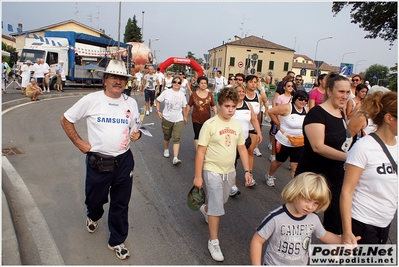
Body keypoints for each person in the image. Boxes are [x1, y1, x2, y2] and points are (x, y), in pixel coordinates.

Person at [60, 59, 142, 260]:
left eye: (122, 78)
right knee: (95, 200)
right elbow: (66, 119)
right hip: (98, 162)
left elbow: (136, 128)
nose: (118, 81)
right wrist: (79, 143)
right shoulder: (91, 100)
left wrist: (136, 135)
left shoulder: (131, 103)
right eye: (114, 77)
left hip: (124, 161)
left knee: (121, 203)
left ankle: (117, 240)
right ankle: (93, 215)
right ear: (105, 80)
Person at [193, 87, 253, 262]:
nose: (231, 110)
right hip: (211, 170)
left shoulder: (236, 125)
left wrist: (248, 171)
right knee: (218, 207)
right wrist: (198, 176)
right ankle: (214, 241)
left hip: (229, 172)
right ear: (219, 105)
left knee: (221, 201)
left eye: (234, 106)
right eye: (227, 106)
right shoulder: (210, 125)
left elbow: (242, 148)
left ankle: (206, 209)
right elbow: (200, 152)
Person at [295, 72, 352, 235]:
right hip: (313, 176)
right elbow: (318, 147)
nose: (345, 96)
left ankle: (330, 258)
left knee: (334, 223)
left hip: (335, 177)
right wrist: (350, 159)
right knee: (303, 221)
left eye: (348, 92)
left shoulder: (340, 113)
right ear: (329, 91)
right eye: (341, 91)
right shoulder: (317, 114)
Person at [250, 172, 344, 265]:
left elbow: (325, 235)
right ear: (296, 191)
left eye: (316, 203)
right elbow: (257, 241)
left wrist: (345, 241)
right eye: (307, 199)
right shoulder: (276, 218)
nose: (310, 207)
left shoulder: (313, 218)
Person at [341, 91, 397, 245]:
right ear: (389, 118)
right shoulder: (364, 147)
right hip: (362, 221)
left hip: (385, 222)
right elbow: (347, 191)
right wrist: (347, 231)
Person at [266, 90, 308, 185]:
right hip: (284, 141)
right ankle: (270, 175)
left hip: (299, 142)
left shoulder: (307, 109)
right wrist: (277, 123)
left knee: (295, 165)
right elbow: (270, 111)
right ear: (295, 99)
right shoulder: (287, 108)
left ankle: (294, 188)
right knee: (278, 162)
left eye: (306, 100)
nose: (303, 102)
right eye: (300, 99)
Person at [230, 84, 262, 196]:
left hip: (245, 138)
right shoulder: (230, 105)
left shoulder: (248, 105)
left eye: (242, 91)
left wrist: (259, 132)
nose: (241, 93)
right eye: (238, 91)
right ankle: (232, 186)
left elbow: (253, 119)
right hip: (231, 141)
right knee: (232, 163)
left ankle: (249, 176)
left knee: (248, 156)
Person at [156, 76, 187, 165]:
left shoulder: (182, 94)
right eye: (175, 82)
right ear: (172, 83)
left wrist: (185, 116)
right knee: (167, 136)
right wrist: (158, 111)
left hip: (178, 119)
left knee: (176, 138)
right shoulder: (166, 92)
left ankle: (175, 158)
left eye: (179, 82)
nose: (176, 84)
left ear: (181, 84)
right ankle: (166, 149)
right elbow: (158, 101)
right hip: (167, 118)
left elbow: (184, 106)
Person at [184, 76, 217, 149]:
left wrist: (215, 114)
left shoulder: (210, 95)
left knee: (205, 135)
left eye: (205, 83)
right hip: (196, 118)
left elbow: (213, 105)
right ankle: (198, 152)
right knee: (197, 135)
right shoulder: (194, 95)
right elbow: (189, 105)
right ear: (198, 84)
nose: (203, 85)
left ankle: (204, 150)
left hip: (206, 118)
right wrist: (185, 116)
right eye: (201, 83)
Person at [244, 75, 263, 181]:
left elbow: (258, 114)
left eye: (255, 82)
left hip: (253, 128)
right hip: (242, 127)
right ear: (246, 83)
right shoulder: (241, 95)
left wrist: (259, 129)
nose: (253, 84)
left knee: (251, 151)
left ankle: (250, 174)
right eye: (251, 82)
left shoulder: (258, 97)